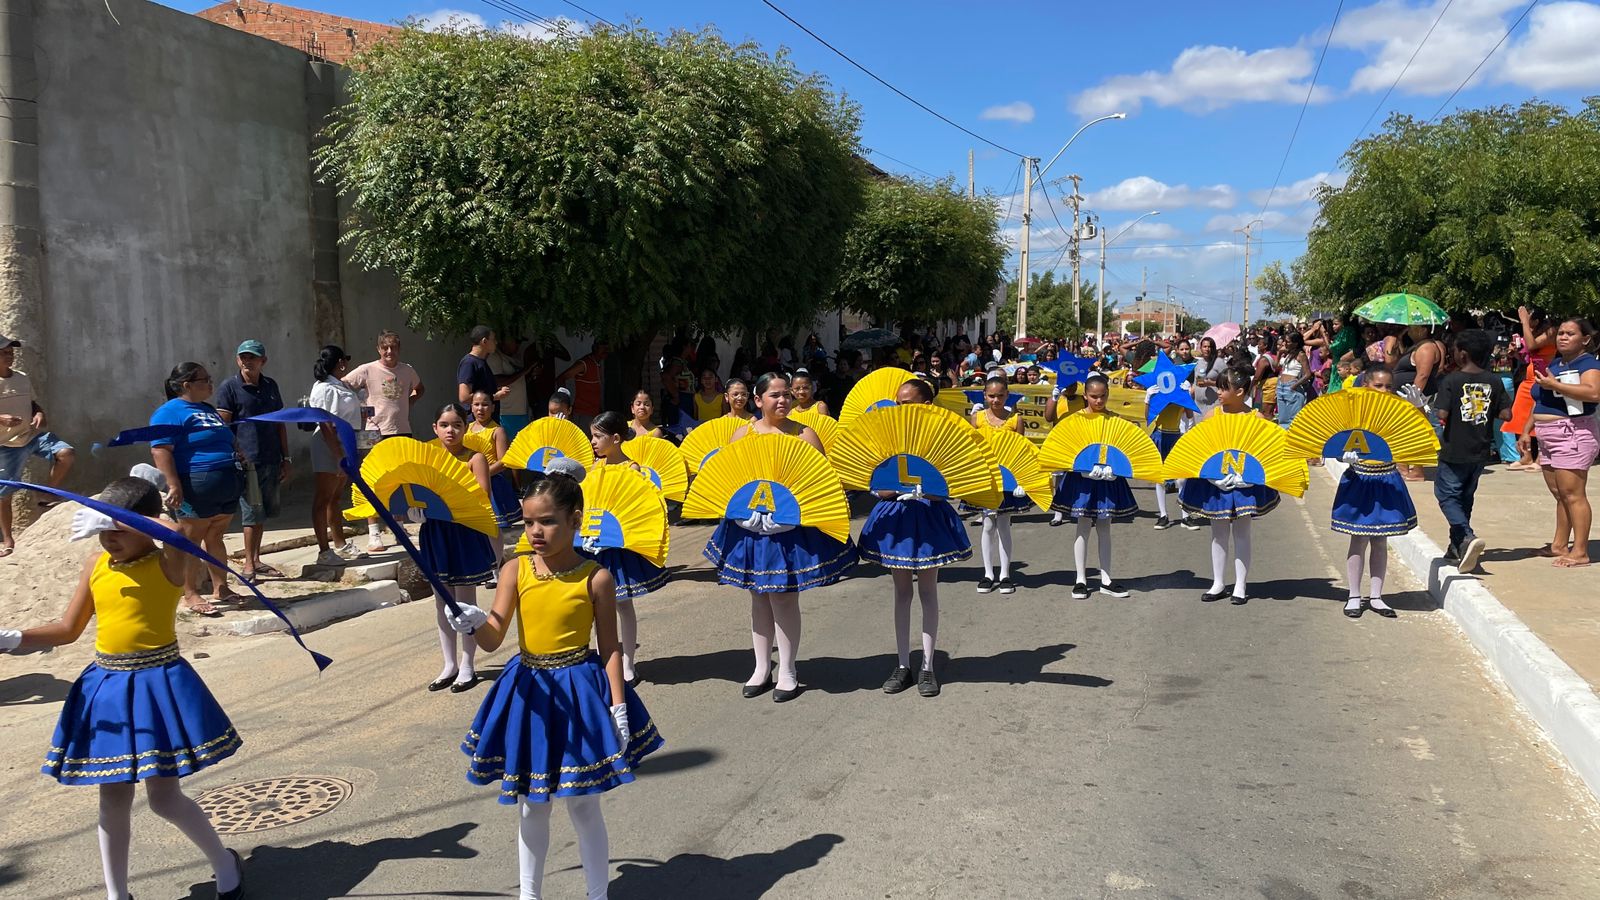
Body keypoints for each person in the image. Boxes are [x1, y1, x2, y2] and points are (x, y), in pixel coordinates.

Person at [0, 476, 246, 899]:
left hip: (158, 686)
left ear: (146, 524)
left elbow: (182, 533)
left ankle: (225, 865)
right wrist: (14, 638)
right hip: (107, 688)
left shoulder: (168, 563)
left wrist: (150, 519)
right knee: (112, 799)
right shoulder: (95, 566)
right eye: (103, 528)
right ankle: (117, 894)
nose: (109, 537)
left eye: (119, 527)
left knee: (164, 799)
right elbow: (66, 629)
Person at [446, 464, 662, 900]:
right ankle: (530, 895)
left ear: (574, 519)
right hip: (528, 692)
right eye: (528, 522)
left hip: (579, 691)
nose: (536, 531)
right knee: (531, 805)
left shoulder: (596, 576)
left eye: (547, 521)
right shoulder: (516, 570)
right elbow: (492, 639)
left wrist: (618, 708)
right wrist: (470, 623)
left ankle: (597, 894)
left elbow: (610, 649)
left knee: (583, 804)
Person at [704, 373, 855, 702]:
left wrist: (788, 517)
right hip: (751, 529)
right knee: (758, 596)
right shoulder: (742, 435)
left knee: (785, 598)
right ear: (758, 400)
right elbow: (729, 484)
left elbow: (821, 486)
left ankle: (787, 669)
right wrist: (747, 517)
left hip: (789, 532)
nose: (783, 400)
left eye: (786, 394)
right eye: (775, 395)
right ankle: (761, 667)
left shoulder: (805, 434)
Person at [857, 380, 968, 698]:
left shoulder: (941, 435)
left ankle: (928, 666)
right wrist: (891, 490)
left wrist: (925, 491)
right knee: (901, 592)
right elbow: (874, 481)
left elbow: (953, 481)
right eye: (899, 403)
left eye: (909, 403)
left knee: (929, 592)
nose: (902, 409)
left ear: (927, 404)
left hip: (930, 516)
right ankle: (903, 664)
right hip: (896, 517)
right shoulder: (886, 434)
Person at [1178, 367, 1279, 604]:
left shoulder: (1256, 419)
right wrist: (1212, 476)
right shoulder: (1212, 416)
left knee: (1242, 533)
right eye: (1219, 386)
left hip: (1245, 484)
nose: (1219, 392)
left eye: (1224, 388)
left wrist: (1248, 476)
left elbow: (1266, 453)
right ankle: (1218, 582)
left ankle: (1241, 585)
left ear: (1240, 391)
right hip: (1217, 483)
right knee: (1218, 533)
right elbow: (1202, 448)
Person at [149, 363, 241, 617]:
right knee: (192, 539)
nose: (211, 384)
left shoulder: (208, 409)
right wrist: (174, 484)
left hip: (226, 481)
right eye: (205, 380)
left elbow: (227, 437)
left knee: (216, 536)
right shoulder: (168, 413)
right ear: (186, 384)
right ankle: (190, 592)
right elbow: (160, 449)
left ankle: (221, 587)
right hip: (195, 482)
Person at [422, 403, 500, 693]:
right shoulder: (427, 457)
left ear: (465, 428)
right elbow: (416, 491)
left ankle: (468, 664)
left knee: (464, 604)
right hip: (435, 533)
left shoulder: (475, 457)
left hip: (465, 532)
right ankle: (449, 663)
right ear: (435, 428)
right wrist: (416, 509)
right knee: (441, 601)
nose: (450, 430)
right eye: (444, 425)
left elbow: (482, 495)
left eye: (456, 424)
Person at [588, 411, 670, 684]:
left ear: (615, 438)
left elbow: (638, 509)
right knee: (598, 608)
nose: (593, 441)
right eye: (592, 436)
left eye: (598, 436)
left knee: (623, 605)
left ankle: (628, 663)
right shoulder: (594, 468)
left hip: (619, 548)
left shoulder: (632, 468)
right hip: (593, 547)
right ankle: (604, 661)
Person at [1332, 366, 1417, 619]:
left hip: (1387, 479)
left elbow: (1416, 436)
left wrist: (1417, 410)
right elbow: (1337, 443)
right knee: (1357, 539)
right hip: (1359, 479)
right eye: (1378, 385)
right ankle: (1354, 595)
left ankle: (1377, 596)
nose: (1384, 390)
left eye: (1388, 386)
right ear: (1365, 385)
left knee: (1381, 540)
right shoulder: (1353, 414)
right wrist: (1343, 455)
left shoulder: (1396, 413)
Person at [1520, 318, 1600, 568]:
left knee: (1573, 494)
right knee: (1560, 493)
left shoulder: (1588, 363)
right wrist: (1526, 430)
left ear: (1585, 339)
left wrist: (1555, 384)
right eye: (1561, 333)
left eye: (1570, 334)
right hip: (1548, 433)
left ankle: (1580, 551)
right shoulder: (1556, 362)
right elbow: (1541, 399)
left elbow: (1593, 392)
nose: (1563, 337)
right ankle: (1559, 544)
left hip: (1572, 432)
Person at [1431, 333, 1510, 575]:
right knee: (1465, 497)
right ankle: (1456, 547)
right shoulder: (1494, 381)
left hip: (1455, 449)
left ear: (1462, 353)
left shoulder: (1452, 380)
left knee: (1446, 495)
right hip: (1480, 451)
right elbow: (1507, 415)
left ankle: (1466, 536)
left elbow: (1442, 414)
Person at [1053, 376, 1135, 599]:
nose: (1098, 401)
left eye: (1103, 396)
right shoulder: (1075, 420)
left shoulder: (1115, 420)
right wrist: (1081, 469)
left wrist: (1114, 470)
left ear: (1108, 394)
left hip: (1108, 480)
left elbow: (1123, 450)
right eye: (1094, 396)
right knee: (1082, 526)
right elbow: (1067, 451)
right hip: (1081, 481)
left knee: (1105, 528)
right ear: (1086, 396)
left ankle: (1106, 578)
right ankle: (1080, 578)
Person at [344, 330, 426, 553]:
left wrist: (408, 404)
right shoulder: (367, 369)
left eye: (394, 347)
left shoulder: (407, 370)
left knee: (399, 480)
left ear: (399, 349)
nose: (390, 352)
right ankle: (374, 533)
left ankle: (398, 528)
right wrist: (358, 408)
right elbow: (343, 385)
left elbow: (420, 388)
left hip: (401, 430)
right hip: (374, 432)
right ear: (379, 349)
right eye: (385, 348)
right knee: (373, 481)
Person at [214, 339, 289, 582]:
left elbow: (280, 422)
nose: (247, 361)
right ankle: (248, 564)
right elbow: (222, 425)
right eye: (243, 357)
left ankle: (256, 558)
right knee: (250, 512)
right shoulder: (230, 388)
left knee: (263, 511)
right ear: (237, 360)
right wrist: (234, 452)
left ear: (262, 361)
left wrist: (285, 457)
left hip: (271, 456)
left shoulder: (270, 386)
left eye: (252, 357)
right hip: (246, 461)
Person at [0, 334, 75, 557]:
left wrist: (39, 413)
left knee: (66, 453)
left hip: (31, 436)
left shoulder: (22, 378)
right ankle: (8, 540)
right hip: (5, 445)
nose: (9, 356)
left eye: (11, 352)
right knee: (4, 494)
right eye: (4, 353)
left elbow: (32, 403)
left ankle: (45, 495)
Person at [307, 345, 362, 567]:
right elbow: (325, 422)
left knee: (336, 496)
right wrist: (338, 454)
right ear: (340, 362)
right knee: (323, 497)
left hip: (345, 442)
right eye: (345, 360)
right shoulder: (324, 388)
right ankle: (324, 550)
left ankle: (340, 543)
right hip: (328, 444)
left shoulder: (340, 386)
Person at [971, 375, 1022, 594]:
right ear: (984, 396)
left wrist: (1020, 481)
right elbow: (970, 451)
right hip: (985, 477)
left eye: (1000, 395)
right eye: (991, 396)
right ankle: (987, 573)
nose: (996, 400)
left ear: (1007, 395)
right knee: (988, 525)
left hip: (1007, 480)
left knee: (1004, 525)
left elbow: (1021, 453)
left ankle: (1005, 574)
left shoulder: (1015, 419)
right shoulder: (977, 418)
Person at [1504, 307, 1558, 471]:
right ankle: (1525, 456)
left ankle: (1540, 458)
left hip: (1544, 378)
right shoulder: (1530, 331)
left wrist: (1524, 323)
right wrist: (1516, 354)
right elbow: (1528, 356)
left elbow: (1533, 346)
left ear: (1537, 320)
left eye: (1530, 319)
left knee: (1539, 417)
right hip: (1528, 378)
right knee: (1519, 417)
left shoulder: (1551, 331)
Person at [467, 391, 522, 531]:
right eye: (476, 404)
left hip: (493, 482)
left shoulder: (497, 431)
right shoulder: (466, 429)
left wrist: (482, 474)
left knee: (495, 528)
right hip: (468, 481)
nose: (480, 409)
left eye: (485, 405)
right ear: (471, 407)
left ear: (493, 407)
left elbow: (503, 462)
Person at [488, 336, 535, 440]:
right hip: (507, 413)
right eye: (516, 341)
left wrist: (530, 374)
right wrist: (524, 371)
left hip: (522, 411)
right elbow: (498, 381)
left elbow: (519, 381)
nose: (518, 345)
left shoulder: (515, 358)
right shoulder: (495, 357)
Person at [556, 340, 610, 429]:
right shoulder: (584, 364)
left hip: (595, 414)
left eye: (607, 348)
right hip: (582, 414)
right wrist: (564, 404)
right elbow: (561, 378)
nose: (606, 350)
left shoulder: (598, 364)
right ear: (595, 348)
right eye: (603, 347)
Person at [458, 326, 510, 414]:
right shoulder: (469, 363)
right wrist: (495, 396)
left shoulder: (481, 362)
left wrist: (494, 389)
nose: (496, 343)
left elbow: (481, 389)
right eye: (493, 339)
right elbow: (464, 397)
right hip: (476, 422)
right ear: (484, 341)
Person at [1275, 331, 1312, 427]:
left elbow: (1308, 374)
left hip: (1291, 387)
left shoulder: (1301, 355)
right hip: (1281, 387)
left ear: (1295, 343)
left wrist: (1294, 385)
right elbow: (1276, 366)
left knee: (1292, 421)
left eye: (1287, 342)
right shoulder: (1289, 354)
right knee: (1282, 419)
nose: (1285, 344)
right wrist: (1279, 353)